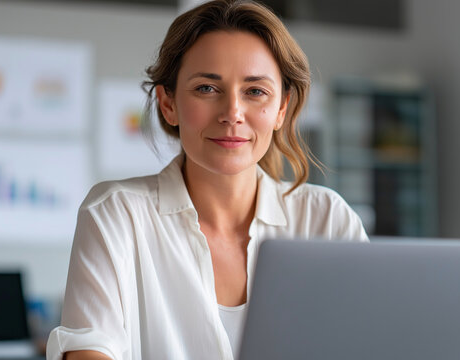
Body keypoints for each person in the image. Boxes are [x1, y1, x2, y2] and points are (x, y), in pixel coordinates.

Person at [46, 1, 367, 359]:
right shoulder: (116, 214)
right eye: (206, 89)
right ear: (168, 103)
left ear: (281, 108)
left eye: (255, 91)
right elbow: (89, 348)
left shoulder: (327, 221)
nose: (232, 113)